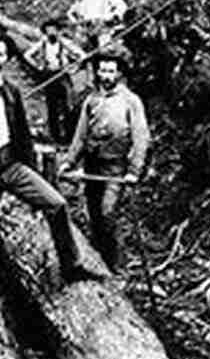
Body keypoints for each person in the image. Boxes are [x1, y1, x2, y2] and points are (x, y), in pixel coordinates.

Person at [0, 32, 100, 316]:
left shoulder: (12, 91)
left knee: (56, 204)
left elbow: (22, 137)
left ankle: (72, 266)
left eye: (1, 54)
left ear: (7, 58)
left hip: (10, 165)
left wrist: (31, 172)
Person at [62, 48, 149, 270]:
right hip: (93, 163)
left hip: (116, 167)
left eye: (111, 71)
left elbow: (141, 137)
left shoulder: (131, 100)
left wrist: (134, 170)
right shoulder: (91, 100)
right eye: (102, 70)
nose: (106, 75)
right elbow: (80, 135)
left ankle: (118, 266)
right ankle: (99, 261)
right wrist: (69, 162)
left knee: (108, 213)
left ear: (119, 73)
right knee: (93, 214)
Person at [25, 18, 87, 143]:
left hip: (62, 76)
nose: (51, 33)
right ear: (45, 32)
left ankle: (70, 136)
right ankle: (55, 137)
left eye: (53, 30)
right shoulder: (43, 43)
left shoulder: (65, 43)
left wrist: (74, 67)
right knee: (51, 106)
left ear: (58, 31)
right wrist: (38, 66)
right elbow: (28, 55)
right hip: (49, 76)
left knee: (67, 106)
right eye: (48, 30)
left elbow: (82, 55)